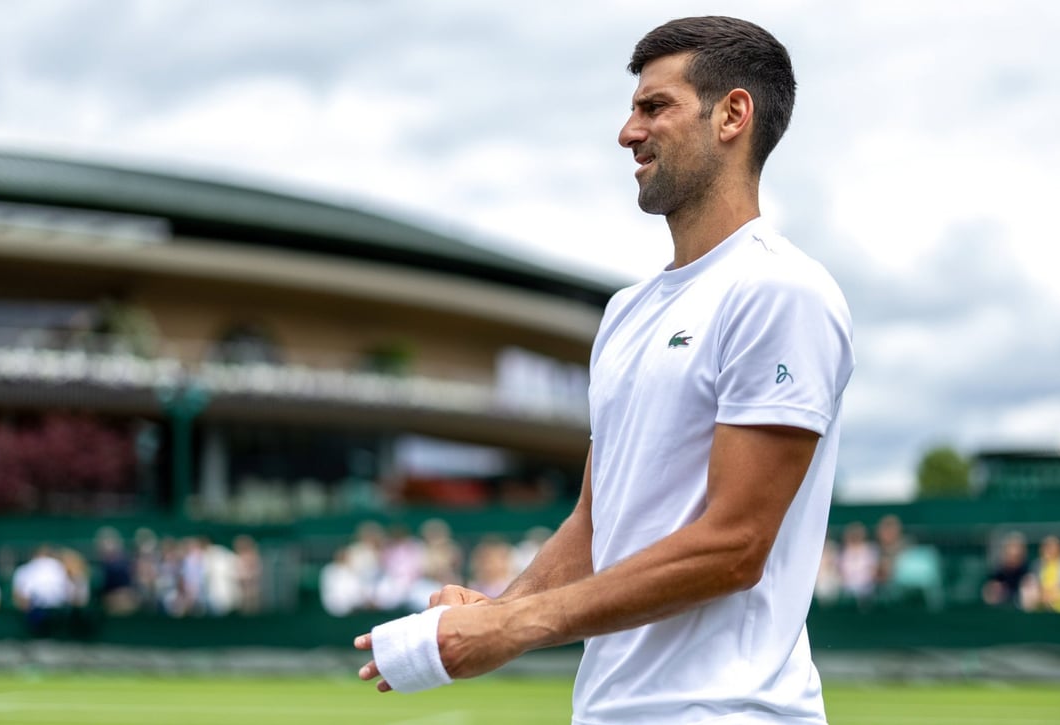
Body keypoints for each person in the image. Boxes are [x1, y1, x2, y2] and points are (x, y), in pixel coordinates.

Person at [357, 16, 855, 723]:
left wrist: (512, 627)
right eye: (633, 109)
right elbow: (596, 526)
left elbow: (735, 545)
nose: (628, 132)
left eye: (655, 107)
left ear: (733, 115)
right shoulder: (626, 311)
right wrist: (497, 612)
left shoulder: (781, 290)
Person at [982, 532, 1030, 608]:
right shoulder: (998, 573)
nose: (1013, 556)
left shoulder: (1027, 571)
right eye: (1010, 554)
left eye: (1017, 555)